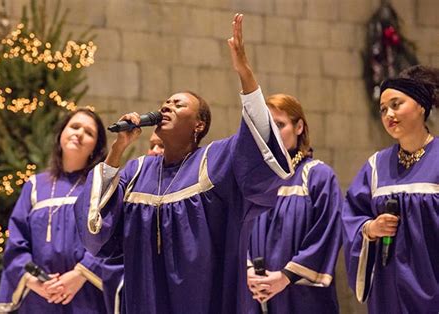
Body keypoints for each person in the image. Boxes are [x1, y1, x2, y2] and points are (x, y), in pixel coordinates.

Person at [74, 14, 293, 314]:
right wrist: (118, 149)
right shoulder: (138, 172)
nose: (167, 106)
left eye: (179, 104)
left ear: (199, 125)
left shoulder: (215, 161)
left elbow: (260, 159)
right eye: (165, 102)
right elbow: (97, 233)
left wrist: (245, 74)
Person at [342, 65, 439, 313]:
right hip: (388, 297)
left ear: (420, 106)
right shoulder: (375, 166)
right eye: (384, 109)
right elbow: (351, 216)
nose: (389, 115)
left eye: (396, 104)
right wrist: (371, 229)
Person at [0, 108, 108, 313]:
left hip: (86, 295)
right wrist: (34, 282)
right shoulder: (35, 186)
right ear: (61, 135)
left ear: (95, 148)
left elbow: (110, 239)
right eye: (74, 126)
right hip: (39, 297)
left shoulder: (99, 188)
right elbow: (17, 242)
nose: (79, 133)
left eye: (89, 132)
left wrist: (80, 274)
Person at [246, 94, 342, 313]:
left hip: (303, 297)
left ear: (299, 127)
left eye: (280, 125)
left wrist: (285, 277)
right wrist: (249, 270)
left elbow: (326, 235)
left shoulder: (318, 176)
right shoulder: (253, 180)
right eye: (267, 126)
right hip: (255, 294)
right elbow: (236, 231)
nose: (272, 133)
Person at [102, 130, 166, 314]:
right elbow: (107, 232)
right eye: (151, 145)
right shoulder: (134, 179)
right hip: (141, 287)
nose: (154, 151)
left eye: (161, 145)